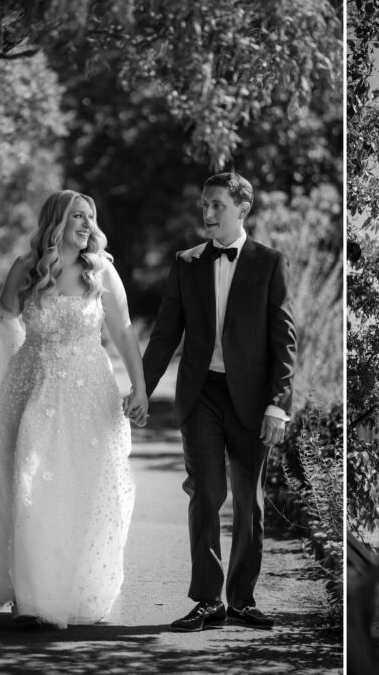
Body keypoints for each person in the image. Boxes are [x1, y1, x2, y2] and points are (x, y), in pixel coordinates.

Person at [0, 190, 147, 629]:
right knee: (27, 485)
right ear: (57, 222)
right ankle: (31, 597)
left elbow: (124, 333)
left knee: (83, 488)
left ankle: (76, 585)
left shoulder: (101, 270)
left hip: (89, 391)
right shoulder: (27, 269)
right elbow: (1, 319)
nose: (87, 225)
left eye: (90, 217)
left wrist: (139, 388)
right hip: (31, 386)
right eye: (77, 217)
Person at [141, 171, 296, 633]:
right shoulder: (186, 262)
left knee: (248, 502)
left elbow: (284, 341)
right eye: (204, 205)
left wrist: (278, 403)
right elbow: (166, 333)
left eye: (217, 206)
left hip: (252, 400)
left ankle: (242, 599)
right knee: (207, 493)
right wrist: (140, 391)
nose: (207, 214)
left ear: (242, 209)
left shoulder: (270, 263)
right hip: (201, 393)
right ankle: (208, 600)